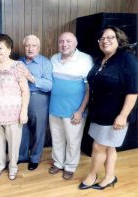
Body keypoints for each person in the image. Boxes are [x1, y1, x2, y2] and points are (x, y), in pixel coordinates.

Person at [79, 26, 138, 190]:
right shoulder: (100, 60)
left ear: (119, 40)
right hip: (99, 113)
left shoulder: (127, 59)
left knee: (98, 147)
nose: (106, 41)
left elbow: (133, 91)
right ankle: (110, 177)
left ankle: (92, 176)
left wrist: (123, 115)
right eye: (102, 38)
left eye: (110, 37)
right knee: (109, 146)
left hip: (115, 115)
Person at [49, 32, 93, 180]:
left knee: (73, 141)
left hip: (74, 111)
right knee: (57, 139)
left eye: (68, 41)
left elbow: (89, 89)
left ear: (76, 43)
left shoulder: (86, 59)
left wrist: (80, 111)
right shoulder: (54, 58)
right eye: (61, 41)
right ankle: (58, 162)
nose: (64, 44)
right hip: (54, 109)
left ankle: (70, 166)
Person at [0, 34, 30, 181]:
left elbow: (25, 91)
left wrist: (24, 111)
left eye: (1, 48)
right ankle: (0, 164)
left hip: (13, 113)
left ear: (9, 50)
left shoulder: (18, 66)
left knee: (13, 143)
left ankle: (13, 167)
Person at [18, 35, 53, 170]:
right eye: (27, 45)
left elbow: (49, 85)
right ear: (24, 47)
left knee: (39, 131)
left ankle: (35, 158)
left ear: (38, 47)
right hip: (20, 99)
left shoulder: (45, 63)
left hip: (39, 99)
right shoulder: (18, 62)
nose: (30, 48)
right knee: (22, 129)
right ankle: (22, 156)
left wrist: (30, 77)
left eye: (33, 46)